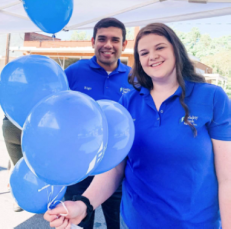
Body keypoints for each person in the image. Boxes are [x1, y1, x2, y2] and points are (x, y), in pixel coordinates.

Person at [44, 23, 231, 229]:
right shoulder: (128, 102)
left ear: (176, 50)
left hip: (195, 224)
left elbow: (227, 178)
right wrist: (84, 204)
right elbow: (115, 167)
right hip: (134, 222)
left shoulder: (212, 98)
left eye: (160, 48)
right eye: (144, 52)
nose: (152, 56)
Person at [63, 18, 133, 229]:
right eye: (102, 39)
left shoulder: (135, 78)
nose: (108, 45)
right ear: (93, 41)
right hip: (79, 166)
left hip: (118, 167)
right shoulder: (74, 73)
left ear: (124, 44)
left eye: (115, 39)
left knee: (117, 224)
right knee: (78, 223)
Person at [2, 116, 23, 212]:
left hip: (9, 123)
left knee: (16, 166)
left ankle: (17, 199)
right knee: (35, 165)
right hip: (30, 123)